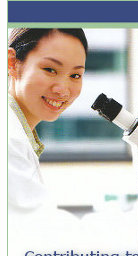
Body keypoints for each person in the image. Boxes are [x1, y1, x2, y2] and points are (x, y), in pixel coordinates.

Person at [8, 28, 88, 215]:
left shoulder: (19, 134)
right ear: (12, 63)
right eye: (50, 69)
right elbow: (36, 225)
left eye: (75, 75)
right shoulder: (9, 141)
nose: (62, 90)